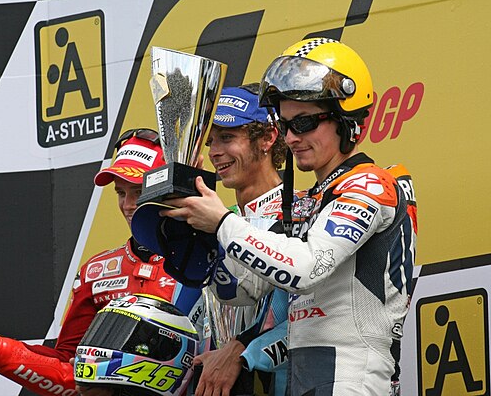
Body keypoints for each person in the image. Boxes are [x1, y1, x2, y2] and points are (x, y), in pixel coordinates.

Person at [162, 38, 417, 395]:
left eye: (306, 122)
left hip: (352, 376)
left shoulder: (371, 185)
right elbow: (241, 291)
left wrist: (222, 222)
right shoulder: (315, 200)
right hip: (305, 376)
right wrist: (201, 230)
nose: (293, 137)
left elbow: (307, 268)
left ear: (347, 119)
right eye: (286, 125)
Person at [0, 129, 203, 396]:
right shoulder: (96, 272)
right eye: (121, 193)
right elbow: (68, 364)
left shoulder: (204, 258)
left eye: (138, 191)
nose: (128, 205)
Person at [193, 84, 290, 396]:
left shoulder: (299, 212)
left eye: (227, 137)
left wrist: (242, 352)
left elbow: (310, 321)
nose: (214, 152)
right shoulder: (216, 219)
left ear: (267, 138)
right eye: (211, 142)